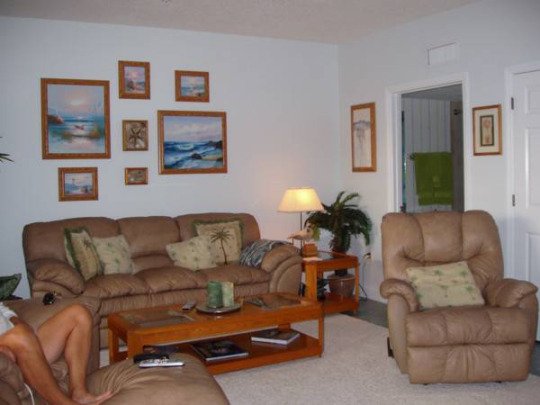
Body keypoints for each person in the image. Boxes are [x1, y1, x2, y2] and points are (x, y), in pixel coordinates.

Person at [0, 301, 113, 404]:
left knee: (79, 314)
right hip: (8, 350)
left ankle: (79, 393)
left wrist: (21, 324)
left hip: (21, 340)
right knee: (20, 336)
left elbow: (3, 310)